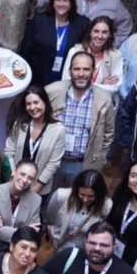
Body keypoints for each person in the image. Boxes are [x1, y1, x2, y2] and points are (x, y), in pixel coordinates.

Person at [46, 51, 116, 188]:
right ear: (70, 71)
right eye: (77, 69)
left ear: (93, 71)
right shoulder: (52, 91)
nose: (81, 73)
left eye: (86, 69)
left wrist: (99, 157)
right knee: (45, 201)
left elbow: (108, 134)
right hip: (52, 161)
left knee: (74, 204)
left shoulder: (104, 99)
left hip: (82, 164)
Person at [22, 0, 90, 86]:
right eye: (58, 0)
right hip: (38, 78)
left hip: (66, 80)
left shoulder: (82, 24)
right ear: (53, 2)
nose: (61, 4)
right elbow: (26, 49)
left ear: (71, 3)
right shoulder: (39, 21)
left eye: (65, 1)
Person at [4, 87, 65, 197]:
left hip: (40, 189)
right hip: (15, 185)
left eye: (36, 102)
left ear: (45, 102)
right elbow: (9, 152)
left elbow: (53, 163)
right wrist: (14, 179)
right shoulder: (19, 124)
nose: (32, 107)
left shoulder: (58, 129)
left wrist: (36, 189)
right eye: (28, 104)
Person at [46, 169, 112, 251]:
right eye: (82, 194)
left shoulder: (106, 206)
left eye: (90, 196)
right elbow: (50, 221)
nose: (85, 199)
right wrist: (52, 241)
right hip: (58, 246)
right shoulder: (61, 196)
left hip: (83, 250)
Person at [0, 161, 43, 248]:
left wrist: (3, 228)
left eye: (30, 178)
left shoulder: (36, 200)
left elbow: (32, 234)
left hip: (21, 248)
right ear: (14, 172)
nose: (25, 180)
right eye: (22, 174)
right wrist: (24, 230)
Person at [62, 18, 123, 98]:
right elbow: (66, 82)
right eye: (96, 31)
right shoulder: (75, 51)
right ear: (90, 32)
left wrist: (82, 84)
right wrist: (101, 85)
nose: (100, 36)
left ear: (110, 35)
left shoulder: (115, 55)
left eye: (104, 32)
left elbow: (115, 87)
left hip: (101, 103)